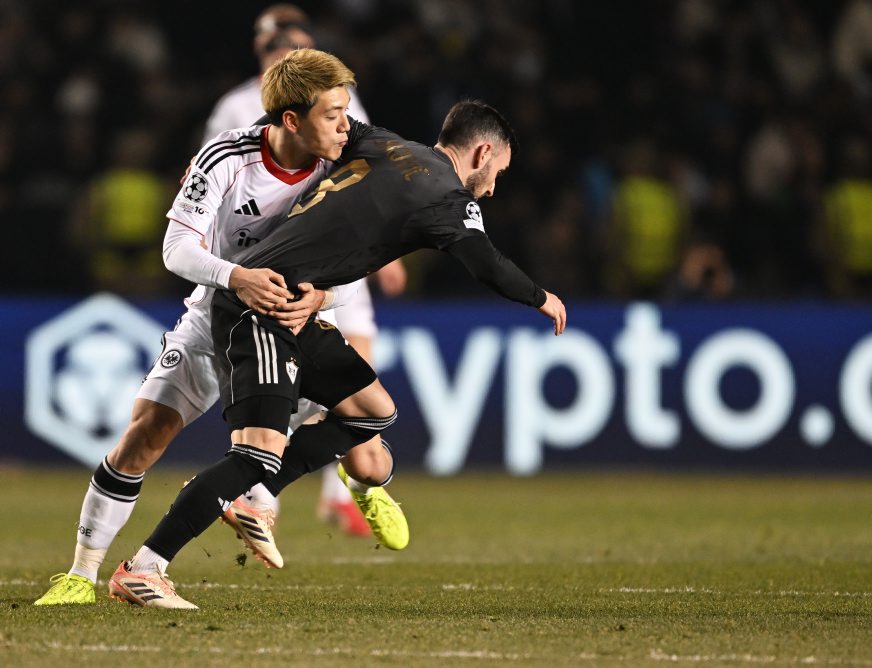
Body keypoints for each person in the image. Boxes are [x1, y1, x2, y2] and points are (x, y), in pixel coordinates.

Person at [108, 70, 566, 609]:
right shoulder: (446, 195)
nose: (493, 187)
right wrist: (541, 297)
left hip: (298, 307)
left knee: (372, 412)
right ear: (482, 151)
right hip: (261, 305)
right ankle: (145, 567)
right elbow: (486, 264)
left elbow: (287, 124)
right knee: (257, 454)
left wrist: (228, 145)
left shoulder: (386, 143)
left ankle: (254, 495)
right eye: (498, 171)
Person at [34, 48, 407, 607]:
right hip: (219, 313)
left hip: (296, 324)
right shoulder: (226, 158)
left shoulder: (347, 165)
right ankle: (80, 576)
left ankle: (303, 490)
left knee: (372, 451)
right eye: (332, 113)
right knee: (144, 436)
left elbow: (358, 268)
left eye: (345, 110)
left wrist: (323, 296)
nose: (345, 125)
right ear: (290, 120)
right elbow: (176, 249)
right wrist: (238, 277)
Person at [206, 2, 407, 536]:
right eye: (275, 44)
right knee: (274, 389)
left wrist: (388, 253)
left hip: (335, 259)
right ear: (261, 50)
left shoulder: (335, 94)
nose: (285, 51)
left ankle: (346, 491)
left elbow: (366, 166)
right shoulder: (236, 107)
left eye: (294, 42)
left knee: (360, 375)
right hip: (268, 268)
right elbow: (212, 173)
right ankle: (262, 491)